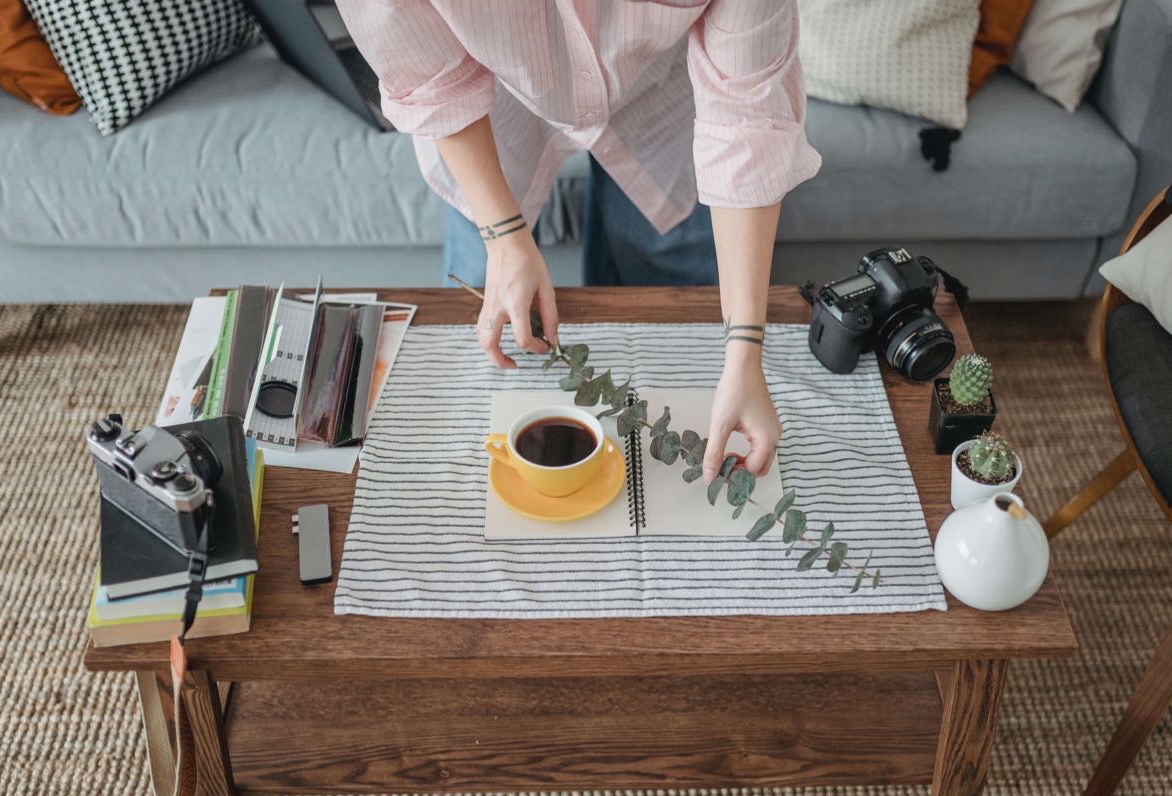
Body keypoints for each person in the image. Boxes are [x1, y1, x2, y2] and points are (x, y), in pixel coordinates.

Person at [337, 0, 820, 481]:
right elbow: (431, 79)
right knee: (494, 319)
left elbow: (745, 117)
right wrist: (503, 235)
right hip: (489, 96)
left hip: (661, 87)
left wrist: (744, 352)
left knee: (679, 308)